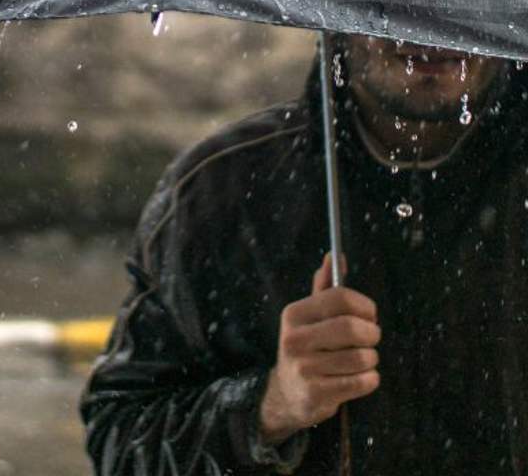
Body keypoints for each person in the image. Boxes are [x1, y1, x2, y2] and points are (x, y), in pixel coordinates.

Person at [79, 33, 528, 475]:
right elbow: (121, 439)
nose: (432, 32)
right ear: (334, 9)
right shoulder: (220, 193)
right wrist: (271, 407)